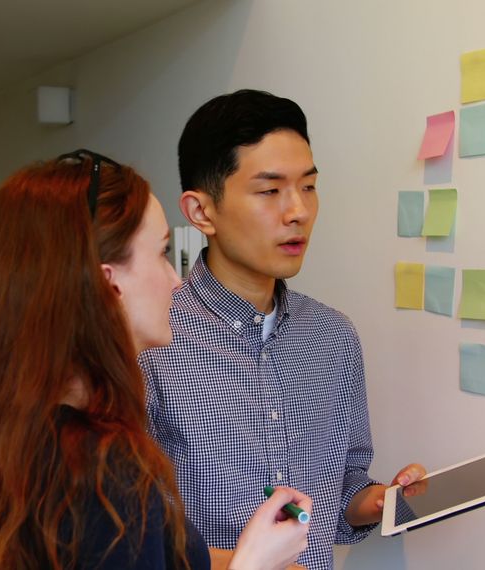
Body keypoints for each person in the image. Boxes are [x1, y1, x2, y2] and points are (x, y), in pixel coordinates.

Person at [0, 150, 312, 569]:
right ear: (108, 284)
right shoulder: (106, 475)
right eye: (162, 253)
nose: (175, 280)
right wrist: (251, 565)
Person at [138, 90, 426, 570]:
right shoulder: (152, 341)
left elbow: (343, 491)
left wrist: (378, 500)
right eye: (270, 190)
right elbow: (137, 542)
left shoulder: (333, 336)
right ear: (200, 212)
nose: (298, 212)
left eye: (308, 187)